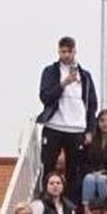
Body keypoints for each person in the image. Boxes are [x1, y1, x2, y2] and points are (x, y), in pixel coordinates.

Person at [37, 36, 97, 198]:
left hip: (77, 128)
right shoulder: (50, 71)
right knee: (49, 165)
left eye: (69, 51)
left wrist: (90, 130)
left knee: (74, 169)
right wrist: (63, 84)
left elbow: (92, 104)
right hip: (54, 126)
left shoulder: (85, 76)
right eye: (63, 51)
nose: (66, 55)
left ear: (75, 51)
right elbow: (45, 96)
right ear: (58, 51)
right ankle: (46, 198)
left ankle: (69, 201)